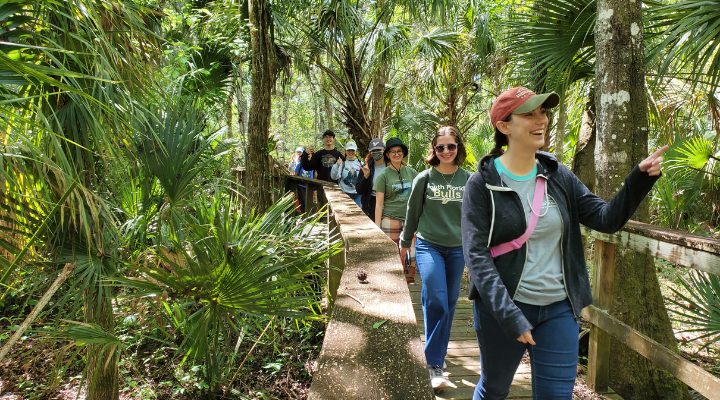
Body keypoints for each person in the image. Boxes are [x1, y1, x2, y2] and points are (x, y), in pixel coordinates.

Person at [461, 86, 667, 400]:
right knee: (495, 389)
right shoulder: (482, 183)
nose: (540, 119)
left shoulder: (557, 175)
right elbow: (476, 256)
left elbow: (604, 218)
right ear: (504, 126)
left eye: (542, 112)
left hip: (559, 307)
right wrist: (510, 316)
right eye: (528, 114)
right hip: (504, 308)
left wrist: (637, 179)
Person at [400, 126, 472, 389]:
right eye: (440, 147)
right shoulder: (424, 178)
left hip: (457, 249)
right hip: (429, 245)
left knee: (448, 302)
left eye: (450, 146)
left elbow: (477, 217)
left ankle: (436, 355)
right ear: (434, 150)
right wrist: (404, 243)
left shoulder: (469, 179)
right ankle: (433, 363)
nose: (445, 152)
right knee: (439, 300)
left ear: (458, 148)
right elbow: (412, 213)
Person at [373, 137, 418, 284]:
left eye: (399, 151)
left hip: (410, 220)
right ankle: (392, 284)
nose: (396, 154)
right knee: (391, 255)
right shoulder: (383, 175)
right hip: (389, 219)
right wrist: (377, 228)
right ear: (387, 154)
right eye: (393, 152)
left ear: (403, 153)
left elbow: (419, 198)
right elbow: (379, 204)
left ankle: (407, 284)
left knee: (411, 255)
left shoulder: (412, 173)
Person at [356, 138, 385, 218]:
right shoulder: (367, 167)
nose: (376, 152)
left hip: (388, 203)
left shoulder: (391, 166)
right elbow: (359, 190)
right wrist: (366, 177)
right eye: (373, 151)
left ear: (384, 149)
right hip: (371, 203)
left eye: (378, 150)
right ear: (370, 152)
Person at [331, 141, 364, 207]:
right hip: (344, 193)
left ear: (356, 151)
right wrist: (337, 165)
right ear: (346, 151)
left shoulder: (361, 164)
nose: (350, 152)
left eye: (352, 150)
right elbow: (334, 177)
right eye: (349, 150)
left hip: (357, 195)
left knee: (357, 214)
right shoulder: (342, 163)